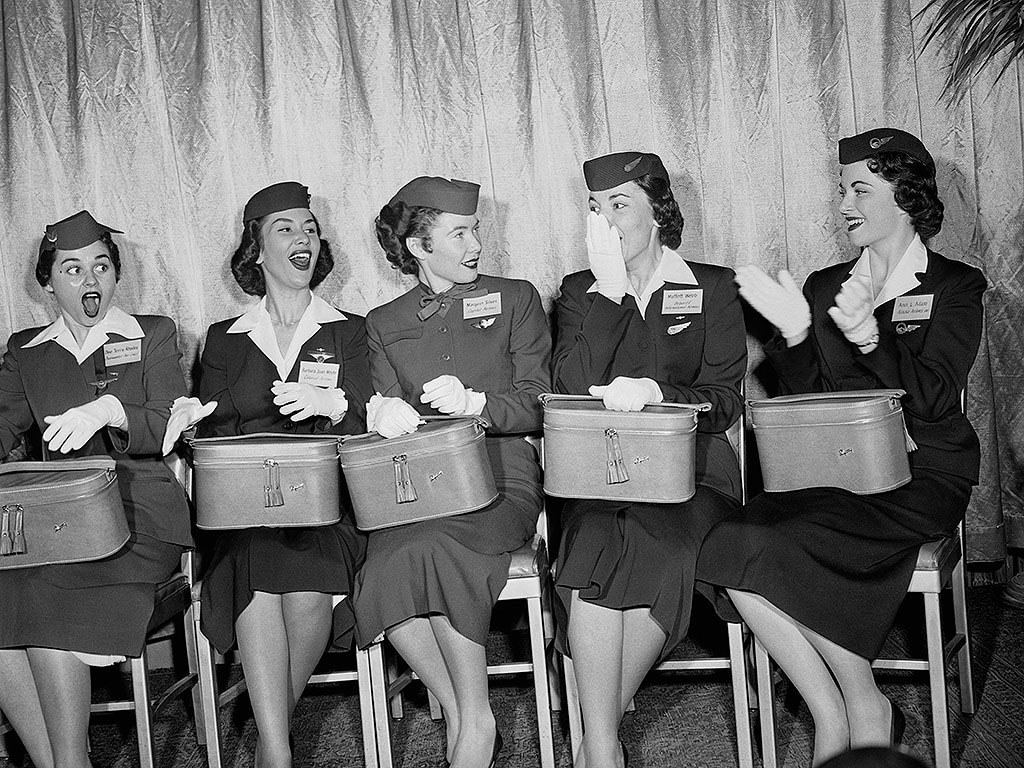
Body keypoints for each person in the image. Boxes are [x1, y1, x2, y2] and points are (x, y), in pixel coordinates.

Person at [697, 128, 986, 765]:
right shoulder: (826, 284)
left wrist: (869, 340)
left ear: (906, 197)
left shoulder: (956, 285)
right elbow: (809, 399)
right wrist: (797, 336)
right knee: (726, 544)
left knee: (788, 542)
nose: (845, 203)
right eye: (842, 190)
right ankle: (846, 704)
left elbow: (936, 398)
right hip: (829, 472)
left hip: (921, 474)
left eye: (861, 188)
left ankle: (857, 709)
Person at [550, 151, 747, 768]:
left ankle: (594, 742)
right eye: (594, 209)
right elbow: (569, 388)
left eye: (619, 205)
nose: (605, 222)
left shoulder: (710, 286)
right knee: (594, 537)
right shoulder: (582, 293)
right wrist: (610, 294)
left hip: (693, 472)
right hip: (602, 471)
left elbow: (725, 400)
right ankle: (604, 747)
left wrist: (663, 396)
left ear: (657, 211)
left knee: (657, 545)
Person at [350, 176, 549, 768]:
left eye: (475, 230)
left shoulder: (517, 299)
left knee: (434, 549)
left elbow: (539, 398)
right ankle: (470, 711)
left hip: (500, 479)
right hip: (421, 487)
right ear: (417, 246)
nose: (475, 244)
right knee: (382, 564)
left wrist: (479, 405)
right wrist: (382, 414)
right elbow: (386, 417)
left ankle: (474, 721)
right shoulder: (382, 322)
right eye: (459, 232)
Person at [0, 211, 193, 768]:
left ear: (115, 275)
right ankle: (62, 762)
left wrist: (111, 410)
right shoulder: (26, 351)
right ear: (48, 282)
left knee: (46, 593)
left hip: (140, 517)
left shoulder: (152, 334)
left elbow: (167, 424)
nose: (90, 280)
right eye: (72, 268)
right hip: (56, 525)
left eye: (101, 266)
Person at [193, 182, 371, 768]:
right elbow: (212, 436)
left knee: (308, 586)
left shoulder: (350, 329)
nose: (304, 238)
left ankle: (272, 745)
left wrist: (337, 406)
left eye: (310, 229)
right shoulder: (224, 338)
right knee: (254, 564)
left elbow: (371, 418)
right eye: (286, 229)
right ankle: (278, 750)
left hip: (327, 506)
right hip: (246, 510)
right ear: (257, 250)